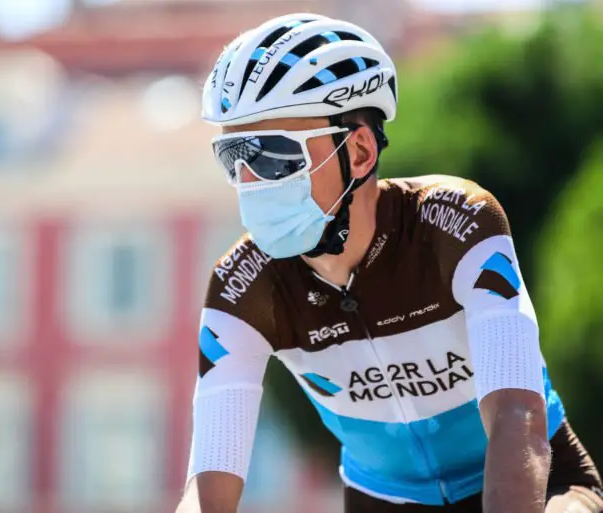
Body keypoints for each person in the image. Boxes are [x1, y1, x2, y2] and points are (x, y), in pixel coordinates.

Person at [175, 12, 603, 513]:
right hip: (384, 499)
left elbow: (517, 414)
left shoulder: (456, 224)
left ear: (358, 152)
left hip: (535, 482)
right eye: (234, 157)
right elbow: (208, 490)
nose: (250, 181)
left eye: (273, 157)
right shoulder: (242, 287)